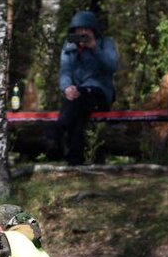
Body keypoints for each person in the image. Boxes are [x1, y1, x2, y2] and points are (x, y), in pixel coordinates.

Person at [47, 10, 118, 166]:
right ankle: (75, 160)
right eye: (80, 29)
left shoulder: (106, 43)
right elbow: (65, 71)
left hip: (100, 93)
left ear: (94, 30)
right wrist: (67, 88)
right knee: (78, 114)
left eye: (87, 29)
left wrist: (95, 49)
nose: (83, 33)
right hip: (78, 96)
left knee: (78, 100)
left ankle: (56, 131)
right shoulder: (69, 46)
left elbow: (112, 66)